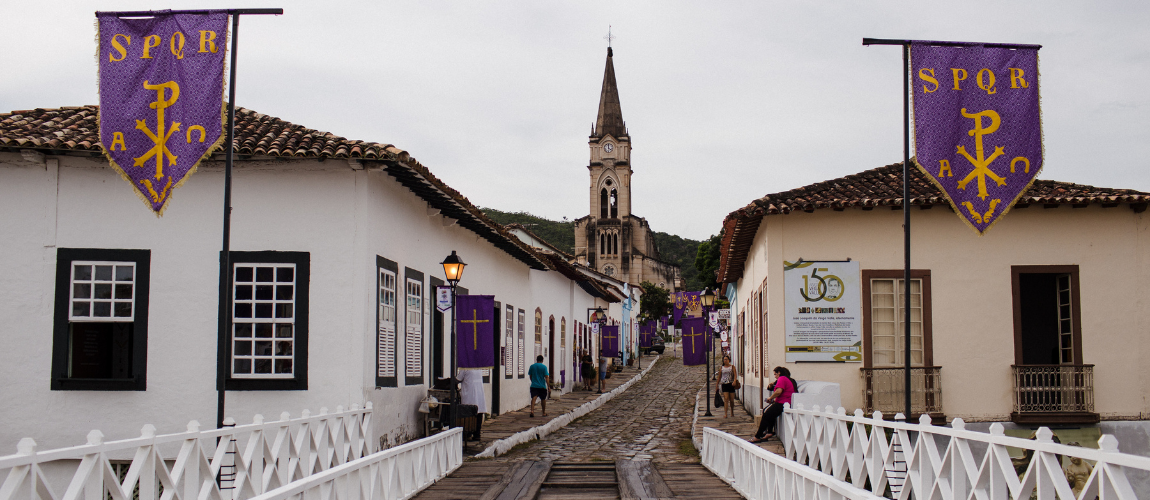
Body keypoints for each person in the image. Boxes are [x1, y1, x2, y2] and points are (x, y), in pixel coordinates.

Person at [751, 366, 795, 443]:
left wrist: (770, 398)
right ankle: (769, 432)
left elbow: (778, 391)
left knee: (766, 415)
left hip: (782, 403)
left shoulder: (782, 378)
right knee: (769, 414)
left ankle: (758, 436)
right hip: (783, 402)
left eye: (775, 374)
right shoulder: (786, 379)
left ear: (779, 373)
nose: (775, 376)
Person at [457, 368, 486, 440]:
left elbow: (458, 379)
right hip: (478, 394)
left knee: (467, 415)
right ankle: (477, 434)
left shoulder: (464, 368)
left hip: (469, 395)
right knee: (478, 414)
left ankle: (467, 433)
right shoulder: (478, 367)